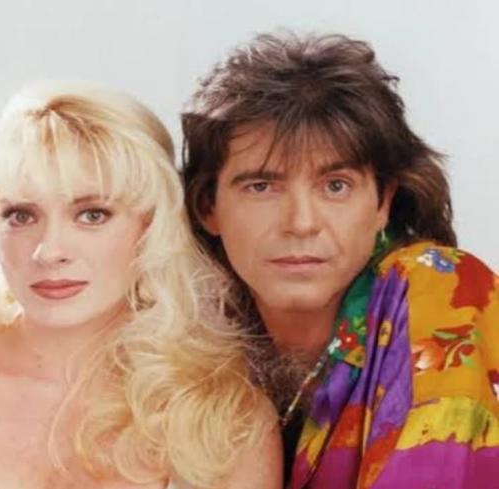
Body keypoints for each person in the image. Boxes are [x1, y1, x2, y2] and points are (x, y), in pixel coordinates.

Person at [0, 82, 281, 488]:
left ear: (151, 228)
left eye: (92, 215)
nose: (49, 251)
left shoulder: (229, 419)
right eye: (21, 215)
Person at [181, 32, 499, 488]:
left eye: (335, 186)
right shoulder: (189, 334)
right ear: (207, 206)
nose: (301, 223)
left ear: (383, 202)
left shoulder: (437, 289)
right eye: (262, 187)